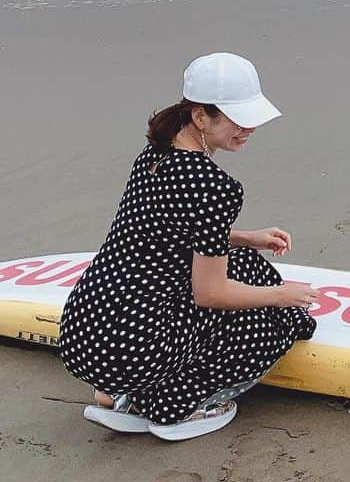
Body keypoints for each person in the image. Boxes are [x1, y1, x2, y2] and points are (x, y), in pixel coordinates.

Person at [58, 52, 318, 441]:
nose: (249, 130)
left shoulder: (154, 156)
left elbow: (161, 230)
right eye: (238, 119)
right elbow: (210, 293)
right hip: (133, 346)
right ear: (200, 116)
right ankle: (173, 407)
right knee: (268, 320)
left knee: (244, 262)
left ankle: (115, 394)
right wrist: (281, 295)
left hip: (83, 332)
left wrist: (246, 237)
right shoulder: (216, 186)